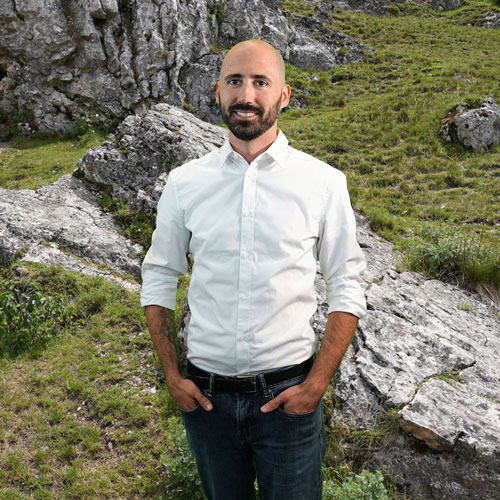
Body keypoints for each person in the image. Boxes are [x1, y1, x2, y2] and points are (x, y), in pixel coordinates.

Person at [141, 39, 366, 500]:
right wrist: (172, 375)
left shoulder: (323, 183)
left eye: (261, 82)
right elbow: (159, 276)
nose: (247, 95)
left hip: (290, 399)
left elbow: (347, 285)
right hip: (206, 401)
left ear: (283, 95)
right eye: (235, 81)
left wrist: (316, 386)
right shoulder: (185, 184)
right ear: (218, 92)